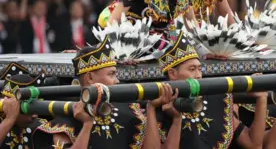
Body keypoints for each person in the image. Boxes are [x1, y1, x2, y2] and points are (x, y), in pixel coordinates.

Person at [33, 37, 178, 148]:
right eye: (111, 74)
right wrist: (88, 124)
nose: (117, 81)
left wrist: (151, 109)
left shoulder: (132, 112)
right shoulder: (65, 122)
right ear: (90, 77)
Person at [153, 29, 268, 148]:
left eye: (199, 69)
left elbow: (254, 144)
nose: (198, 75)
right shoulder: (159, 106)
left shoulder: (217, 99)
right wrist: (177, 120)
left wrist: (262, 98)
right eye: (192, 69)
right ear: (172, 74)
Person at [0, 73, 49, 148]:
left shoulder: (41, 128)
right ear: (11, 106)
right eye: (28, 109)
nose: (34, 115)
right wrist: (9, 120)